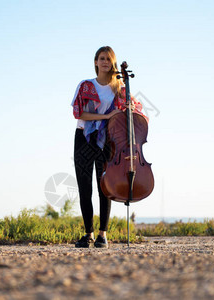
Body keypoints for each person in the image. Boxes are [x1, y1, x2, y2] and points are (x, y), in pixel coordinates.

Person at [71, 46, 147, 248]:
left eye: (108, 59)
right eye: (101, 58)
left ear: (112, 63)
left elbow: (136, 110)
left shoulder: (119, 88)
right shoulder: (86, 85)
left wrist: (129, 107)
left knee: (105, 186)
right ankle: (88, 233)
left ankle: (102, 235)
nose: (105, 62)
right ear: (95, 62)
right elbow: (80, 114)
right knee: (84, 187)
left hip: (108, 139)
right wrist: (106, 116)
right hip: (84, 138)